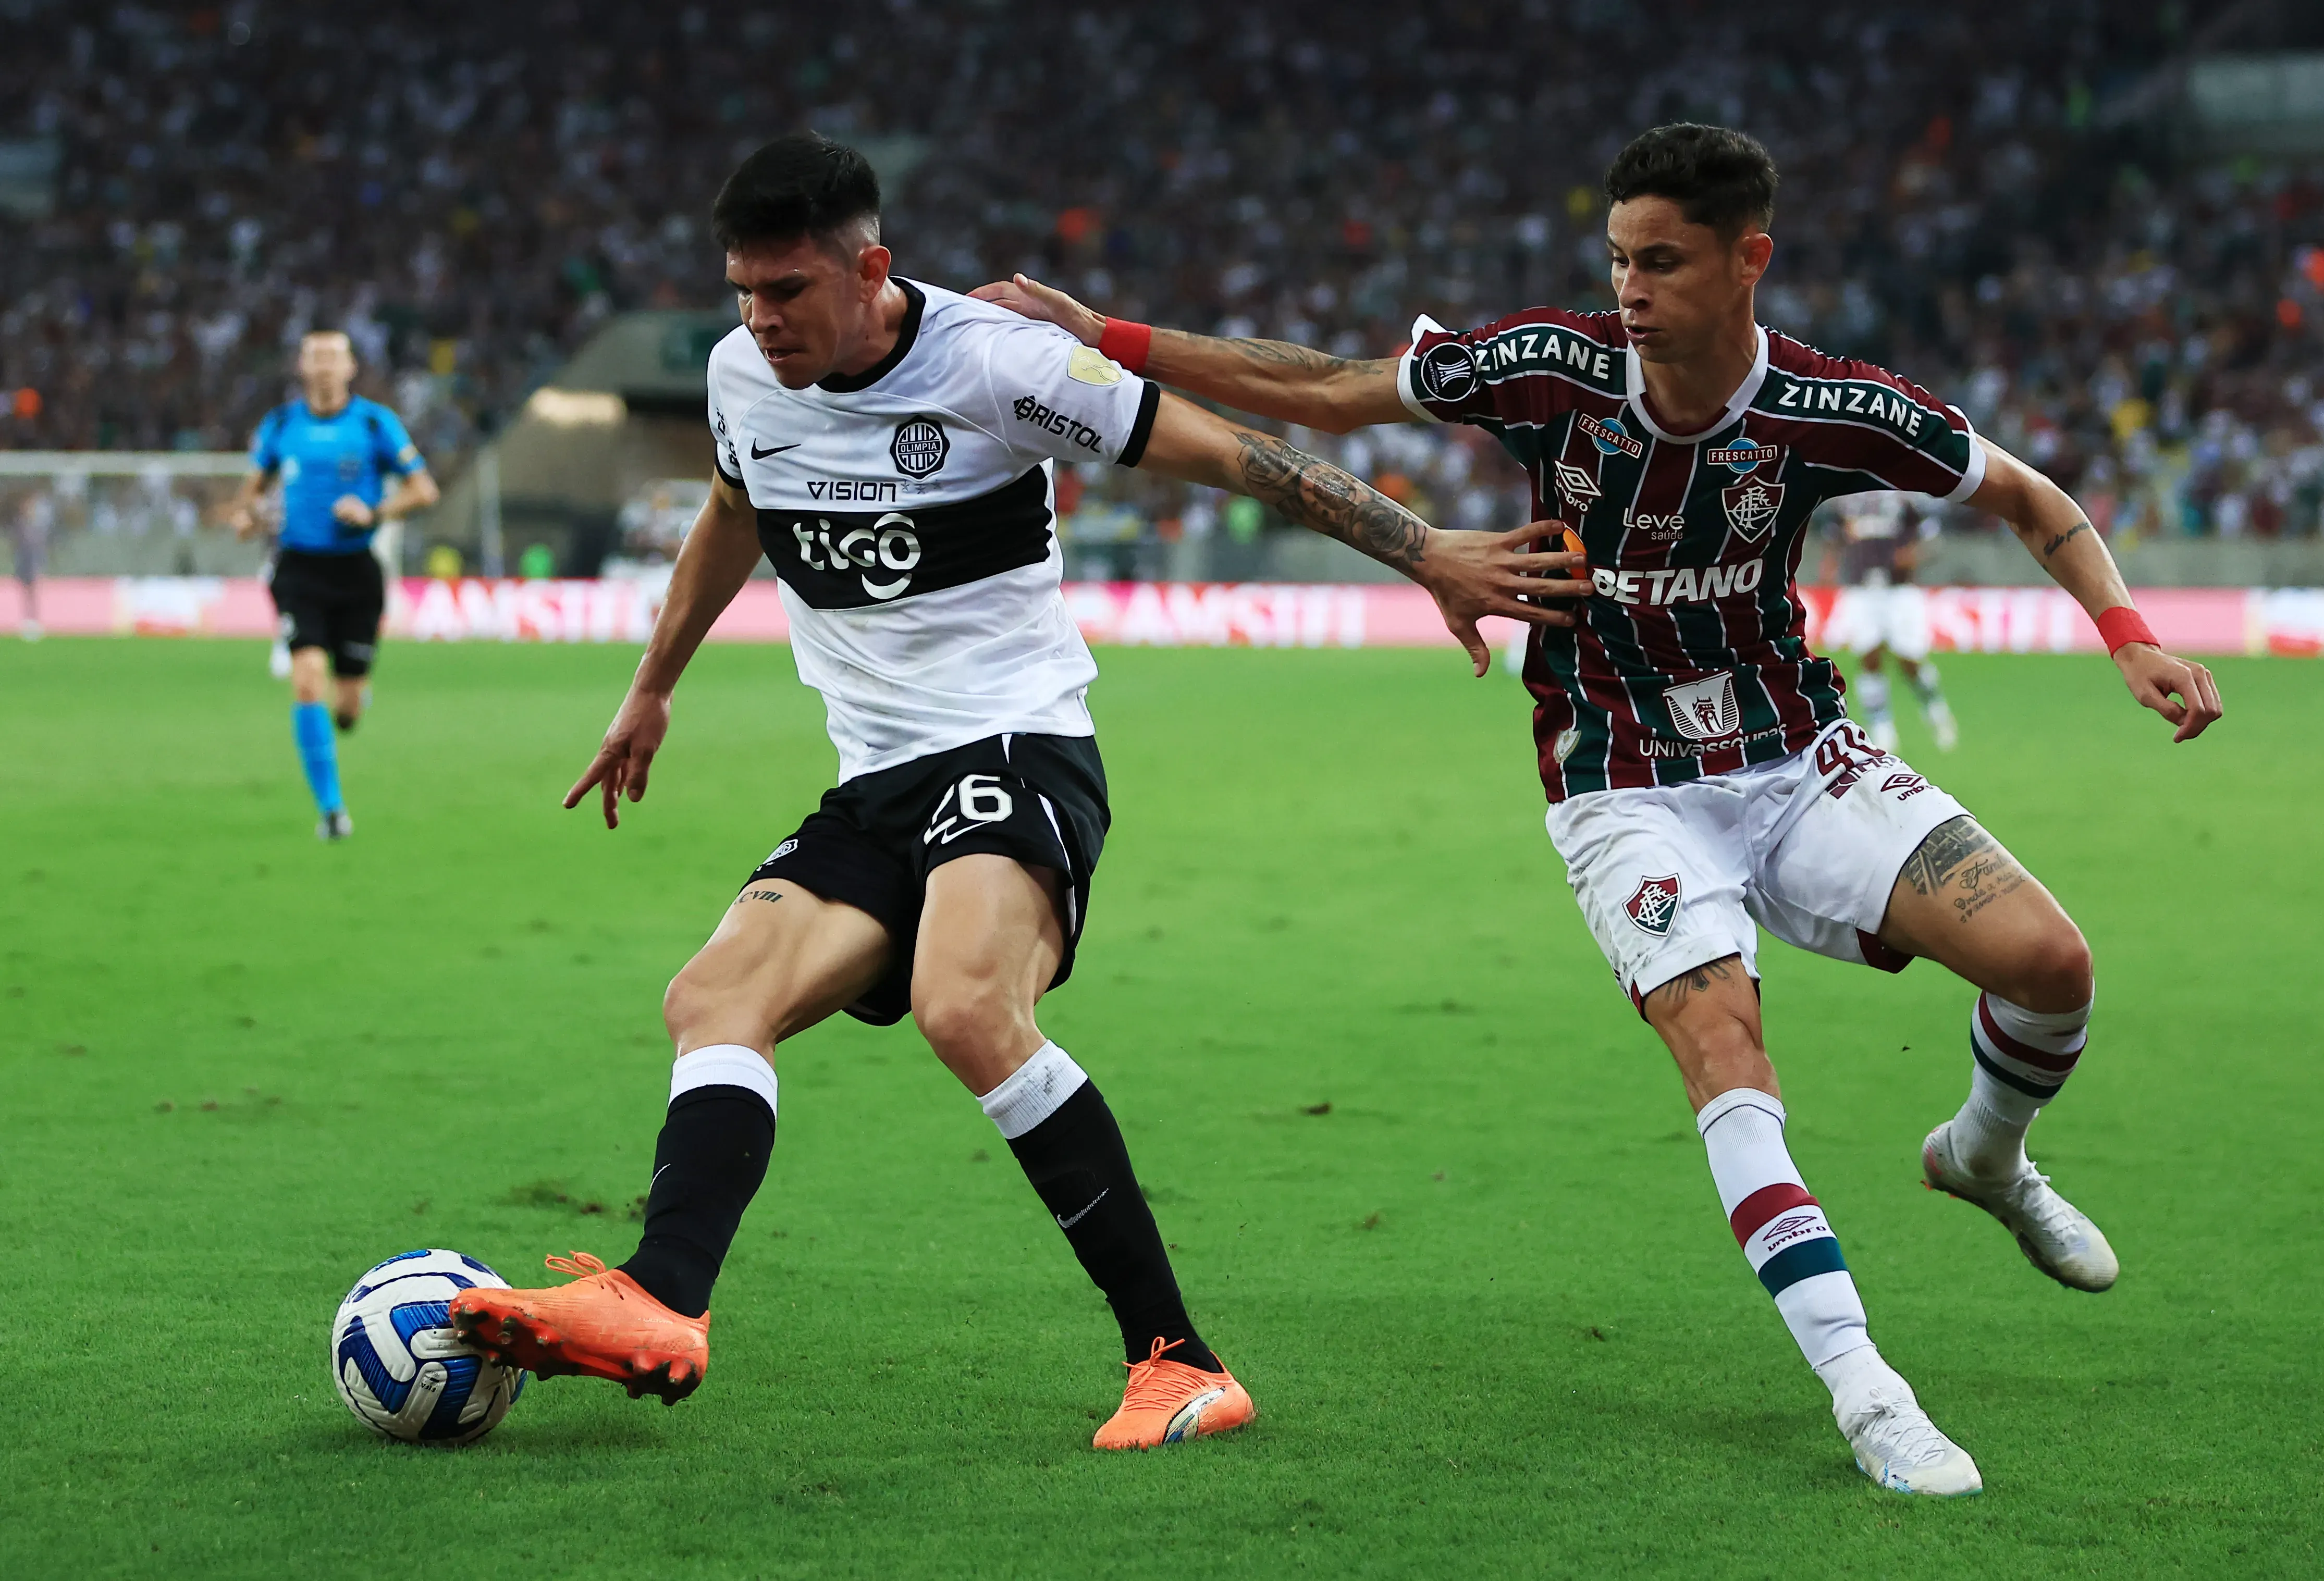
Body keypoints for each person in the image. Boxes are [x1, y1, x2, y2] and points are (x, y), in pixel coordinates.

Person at [974, 121, 2223, 1493]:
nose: (1628, 289)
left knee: (2051, 965)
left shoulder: (1832, 406)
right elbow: (1327, 390)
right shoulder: (1548, 368)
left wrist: (2128, 636)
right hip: (1618, 779)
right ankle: (1867, 1390)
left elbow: (2032, 499)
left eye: (1661, 262)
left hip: (1795, 754)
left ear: (1746, 260)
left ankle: (1982, 1156)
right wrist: (1105, 335)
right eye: (1618, 258)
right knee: (1725, 1059)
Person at [445, 132, 1575, 1450]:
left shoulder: (998, 363)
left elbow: (1228, 453)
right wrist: (652, 687)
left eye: (788, 290)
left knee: (965, 1001)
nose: (761, 320)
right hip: (877, 778)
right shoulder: (740, 376)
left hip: (1014, 746)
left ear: (871, 269)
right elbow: (733, 512)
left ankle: (1180, 1362)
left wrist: (1423, 547)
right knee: (712, 998)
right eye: (743, 293)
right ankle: (662, 1297)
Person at [228, 330, 439, 839]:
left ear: (350, 368)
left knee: (347, 706)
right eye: (315, 357)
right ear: (302, 367)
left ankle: (351, 703)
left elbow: (424, 490)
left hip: (357, 574)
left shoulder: (375, 423)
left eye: (333, 357)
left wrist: (374, 511)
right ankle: (331, 810)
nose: (324, 365)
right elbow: (250, 495)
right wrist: (248, 517)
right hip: (299, 570)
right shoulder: (281, 425)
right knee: (307, 679)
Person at [1824, 491, 1956, 751]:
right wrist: (1830, 564)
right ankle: (1882, 727)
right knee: (1869, 656)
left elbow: (1931, 535)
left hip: (1899, 590)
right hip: (1861, 588)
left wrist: (1913, 554)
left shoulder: (1903, 496)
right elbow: (1834, 534)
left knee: (1909, 659)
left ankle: (1935, 709)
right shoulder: (1847, 496)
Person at [10, 487, 50, 640]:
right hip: (24, 563)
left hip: (33, 563)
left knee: (33, 593)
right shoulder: (21, 524)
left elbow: (40, 546)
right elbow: (17, 545)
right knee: (26, 593)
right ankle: (28, 620)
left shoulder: (37, 525)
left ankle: (34, 620)